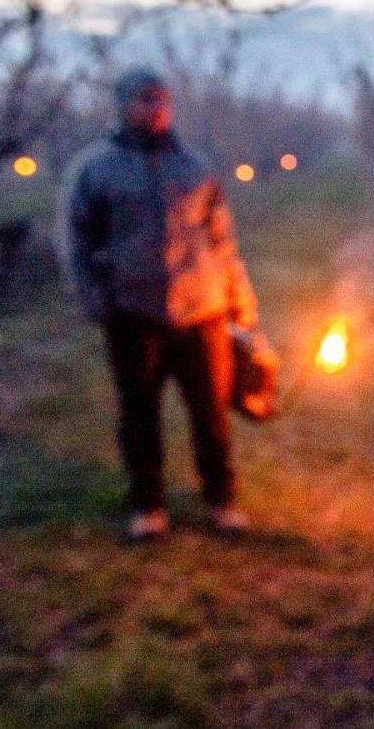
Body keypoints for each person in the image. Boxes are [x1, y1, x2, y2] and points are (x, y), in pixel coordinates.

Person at [60, 67, 258, 540]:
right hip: (133, 312)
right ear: (125, 105)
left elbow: (222, 241)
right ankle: (148, 505)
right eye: (146, 100)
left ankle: (221, 499)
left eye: (163, 99)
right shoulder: (95, 169)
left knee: (211, 411)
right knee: (139, 412)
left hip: (202, 311)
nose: (156, 108)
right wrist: (96, 300)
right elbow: (76, 241)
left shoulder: (195, 166)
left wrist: (240, 300)